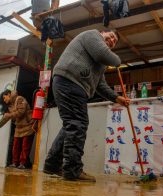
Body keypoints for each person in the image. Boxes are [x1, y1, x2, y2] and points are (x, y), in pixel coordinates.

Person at [43, 29, 130, 182]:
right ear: (102, 33)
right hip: (70, 81)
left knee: (71, 125)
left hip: (69, 84)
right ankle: (72, 170)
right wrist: (117, 61)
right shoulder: (93, 35)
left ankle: (51, 165)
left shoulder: (100, 62)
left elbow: (100, 85)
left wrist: (116, 98)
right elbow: (106, 55)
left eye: (114, 42)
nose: (111, 41)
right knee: (78, 123)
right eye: (110, 37)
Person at [0, 90, 35, 169]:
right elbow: (11, 117)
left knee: (25, 146)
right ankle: (15, 162)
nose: (4, 100)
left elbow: (21, 112)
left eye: (4, 98)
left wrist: (9, 115)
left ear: (8, 94)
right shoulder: (10, 106)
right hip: (18, 127)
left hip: (28, 125)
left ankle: (23, 163)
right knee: (16, 146)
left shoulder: (19, 99)